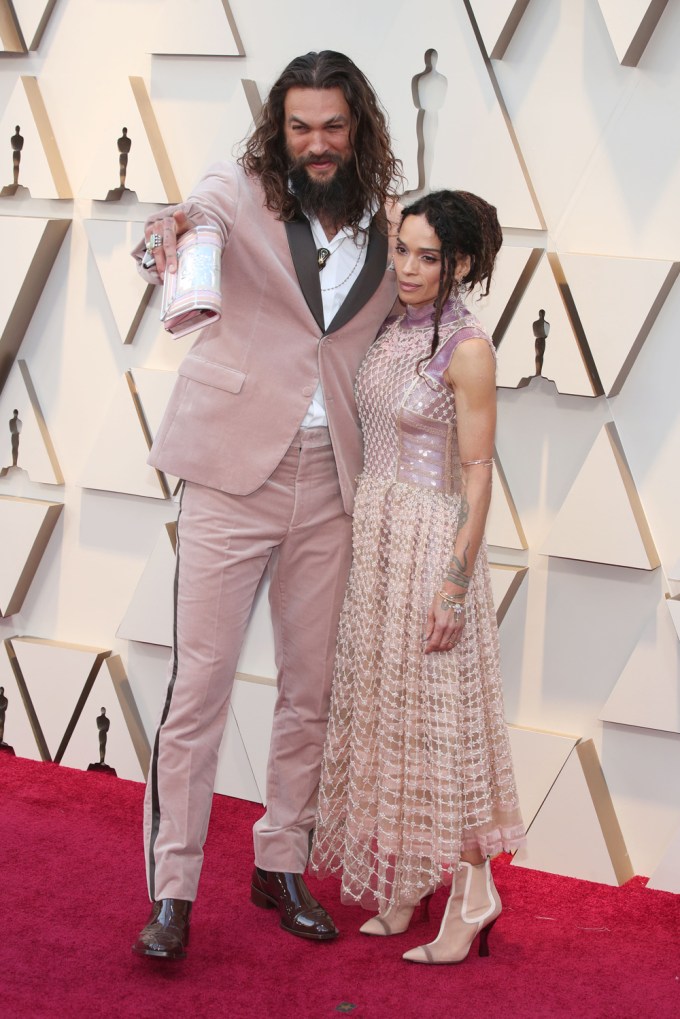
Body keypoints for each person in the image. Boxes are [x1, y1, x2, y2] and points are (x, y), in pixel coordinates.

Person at [129, 50, 402, 960]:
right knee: (198, 687)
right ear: (277, 130)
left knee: (309, 689)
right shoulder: (239, 190)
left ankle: (280, 858)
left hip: (333, 482)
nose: (316, 144)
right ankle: (172, 890)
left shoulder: (391, 223)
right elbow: (190, 215)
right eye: (299, 127)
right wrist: (168, 232)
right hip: (231, 471)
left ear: (356, 126)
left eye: (332, 126)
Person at [310, 190, 525, 964]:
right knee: (389, 714)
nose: (405, 266)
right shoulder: (396, 324)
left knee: (443, 728)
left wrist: (454, 585)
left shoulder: (467, 348)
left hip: (433, 541)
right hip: (379, 534)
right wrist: (396, 210)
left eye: (427, 256)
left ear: (460, 263)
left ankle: (474, 893)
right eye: (401, 248)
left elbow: (477, 476)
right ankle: (407, 883)